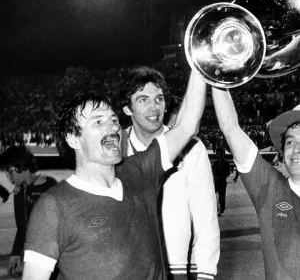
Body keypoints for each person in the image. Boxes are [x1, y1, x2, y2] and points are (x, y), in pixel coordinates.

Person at [22, 69, 207, 280]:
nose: (111, 126)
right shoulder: (53, 206)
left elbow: (187, 126)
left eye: (113, 120)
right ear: (73, 138)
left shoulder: (139, 172)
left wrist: (200, 64)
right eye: (98, 122)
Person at [119, 66, 219, 280]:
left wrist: (205, 275)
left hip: (178, 270)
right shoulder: (116, 148)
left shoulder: (192, 148)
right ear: (128, 109)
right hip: (129, 268)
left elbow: (206, 220)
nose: (153, 107)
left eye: (159, 99)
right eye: (143, 99)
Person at [212, 85, 300, 280]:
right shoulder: (270, 188)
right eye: (291, 142)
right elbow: (230, 128)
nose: (296, 150)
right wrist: (216, 74)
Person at [0, 146, 57, 278]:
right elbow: (21, 227)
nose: (8, 177)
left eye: (10, 172)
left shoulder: (50, 186)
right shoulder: (19, 192)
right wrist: (15, 253)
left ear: (21, 167)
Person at [212, 147, 231, 216]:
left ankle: (222, 209)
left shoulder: (226, 163)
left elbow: (228, 173)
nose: (220, 155)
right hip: (216, 181)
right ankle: (216, 208)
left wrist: (220, 175)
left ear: (223, 154)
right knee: (213, 196)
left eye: (221, 154)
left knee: (222, 197)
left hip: (222, 181)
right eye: (218, 154)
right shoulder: (215, 163)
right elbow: (213, 172)